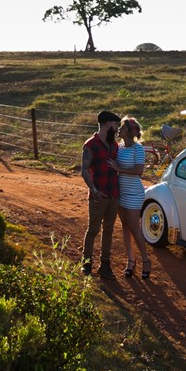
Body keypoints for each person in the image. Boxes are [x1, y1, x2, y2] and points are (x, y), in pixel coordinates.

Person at [80, 110, 121, 279]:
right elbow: (84, 171)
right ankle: (86, 263)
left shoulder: (114, 145)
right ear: (108, 124)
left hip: (113, 194)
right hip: (99, 195)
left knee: (109, 230)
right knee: (93, 230)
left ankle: (105, 265)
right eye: (116, 125)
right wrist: (94, 191)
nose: (117, 128)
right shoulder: (90, 145)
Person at [116, 115, 151, 279]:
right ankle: (131, 261)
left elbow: (139, 171)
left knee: (134, 226)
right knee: (125, 225)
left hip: (134, 193)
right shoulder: (119, 147)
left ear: (129, 132)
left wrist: (118, 168)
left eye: (122, 128)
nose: (119, 129)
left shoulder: (138, 149)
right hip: (120, 192)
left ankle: (145, 260)